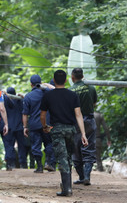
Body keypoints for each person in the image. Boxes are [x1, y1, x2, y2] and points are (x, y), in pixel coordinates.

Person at [40, 69, 88, 197]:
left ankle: (67, 189)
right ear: (66, 80)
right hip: (71, 130)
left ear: (54, 80)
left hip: (57, 130)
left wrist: (44, 126)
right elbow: (78, 114)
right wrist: (83, 133)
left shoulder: (48, 96)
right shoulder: (73, 95)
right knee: (67, 157)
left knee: (62, 159)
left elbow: (43, 115)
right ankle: (68, 186)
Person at [69, 68, 97, 186]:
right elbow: (94, 103)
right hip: (89, 121)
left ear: (72, 77)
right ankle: (86, 176)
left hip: (75, 122)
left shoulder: (70, 91)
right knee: (89, 147)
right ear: (82, 76)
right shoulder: (91, 88)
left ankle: (81, 176)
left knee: (76, 148)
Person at [23, 75, 56, 173]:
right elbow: (57, 91)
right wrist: (47, 85)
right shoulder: (47, 93)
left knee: (36, 146)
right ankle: (48, 162)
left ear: (31, 84)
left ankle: (39, 167)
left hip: (34, 125)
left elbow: (25, 114)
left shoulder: (28, 96)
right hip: (47, 123)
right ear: (40, 82)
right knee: (49, 143)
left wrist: (25, 127)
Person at [0, 87, 31, 170]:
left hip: (9, 127)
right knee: (21, 146)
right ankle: (23, 164)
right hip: (19, 127)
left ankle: (10, 164)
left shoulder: (4, 101)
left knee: (9, 146)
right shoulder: (20, 101)